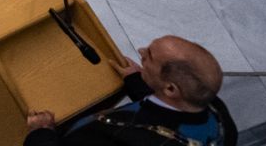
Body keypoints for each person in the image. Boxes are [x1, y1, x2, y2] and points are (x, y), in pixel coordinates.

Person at [23, 36, 231, 145]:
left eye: (150, 56)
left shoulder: (126, 138)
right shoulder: (214, 110)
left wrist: (41, 132)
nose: (141, 51)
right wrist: (138, 81)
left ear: (170, 88)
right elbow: (170, 112)